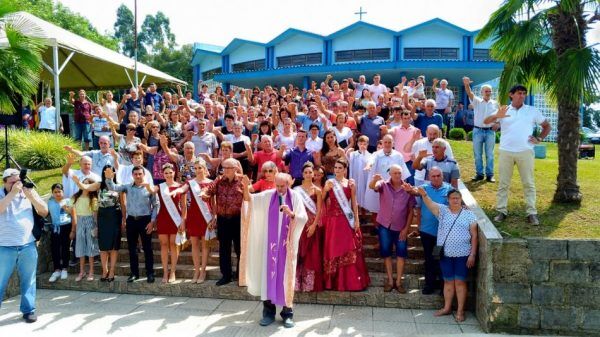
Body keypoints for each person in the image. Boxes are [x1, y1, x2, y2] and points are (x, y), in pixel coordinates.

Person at [241, 173, 308, 328]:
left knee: (285, 278)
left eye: (282, 186)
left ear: (289, 183)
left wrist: (291, 214)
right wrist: (245, 187)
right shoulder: (268, 196)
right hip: (270, 247)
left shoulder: (296, 197)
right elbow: (249, 200)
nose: (278, 189)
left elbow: (303, 218)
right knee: (268, 276)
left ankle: (287, 314)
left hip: (287, 246)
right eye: (276, 186)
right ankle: (268, 313)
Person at [484, 85, 551, 225]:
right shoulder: (504, 110)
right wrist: (497, 116)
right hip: (506, 151)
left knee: (528, 183)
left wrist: (539, 138)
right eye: (519, 93)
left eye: (524, 94)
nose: (522, 96)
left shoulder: (532, 110)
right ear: (511, 95)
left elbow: (547, 126)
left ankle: (531, 213)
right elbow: (487, 122)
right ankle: (501, 211)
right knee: (503, 183)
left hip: (525, 151)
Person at [416, 186, 478, 323]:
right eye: (452, 198)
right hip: (446, 255)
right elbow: (430, 204)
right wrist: (424, 194)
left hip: (463, 255)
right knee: (448, 281)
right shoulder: (442, 211)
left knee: (460, 282)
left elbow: (474, 236)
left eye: (458, 198)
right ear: (448, 200)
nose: (455, 200)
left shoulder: (469, 215)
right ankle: (447, 308)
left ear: (461, 199)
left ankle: (460, 311)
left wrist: (472, 254)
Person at [0, 169, 48, 323]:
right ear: (5, 182)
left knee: (29, 280)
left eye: (18, 181)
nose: (17, 185)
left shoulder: (28, 192)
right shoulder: (3, 194)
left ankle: (28, 310)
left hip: (27, 245)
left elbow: (44, 211)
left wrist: (32, 197)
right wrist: (13, 193)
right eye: (12, 182)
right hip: (4, 247)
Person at [322, 159, 370, 291]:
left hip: (345, 220)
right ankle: (332, 282)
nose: (336, 170)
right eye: (335, 168)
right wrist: (325, 190)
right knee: (333, 249)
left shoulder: (351, 183)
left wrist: (357, 220)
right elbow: (321, 199)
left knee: (347, 248)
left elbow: (354, 203)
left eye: (339, 168)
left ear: (345, 170)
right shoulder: (329, 182)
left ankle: (348, 282)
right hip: (332, 221)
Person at [106, 166, 159, 283]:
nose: (138, 176)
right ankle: (134, 273)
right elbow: (113, 188)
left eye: (140, 174)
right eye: (135, 174)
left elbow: (156, 205)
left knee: (147, 248)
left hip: (145, 220)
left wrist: (152, 221)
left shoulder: (150, 188)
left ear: (144, 174)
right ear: (132, 175)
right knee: (132, 248)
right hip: (131, 220)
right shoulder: (128, 187)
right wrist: (109, 179)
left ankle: (150, 273)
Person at [72, 166, 124, 283]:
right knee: (103, 246)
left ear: (114, 173)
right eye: (106, 171)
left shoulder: (118, 185)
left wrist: (124, 219)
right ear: (103, 173)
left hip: (115, 215)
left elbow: (123, 203)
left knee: (114, 246)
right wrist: (77, 181)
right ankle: (104, 271)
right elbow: (85, 187)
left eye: (111, 171)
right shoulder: (99, 184)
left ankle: (111, 271)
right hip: (103, 216)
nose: (109, 173)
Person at [369, 165, 415, 293]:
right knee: (386, 253)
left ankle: (399, 282)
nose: (397, 175)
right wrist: (374, 180)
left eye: (399, 173)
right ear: (390, 174)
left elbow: (411, 211)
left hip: (401, 228)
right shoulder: (383, 184)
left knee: (401, 254)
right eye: (394, 173)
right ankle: (390, 281)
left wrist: (407, 229)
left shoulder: (407, 188)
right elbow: (372, 187)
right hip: (384, 226)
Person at [203, 158, 245, 286]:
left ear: (235, 168)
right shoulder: (219, 180)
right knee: (224, 249)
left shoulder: (243, 180)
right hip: (223, 219)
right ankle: (226, 275)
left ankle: (240, 275)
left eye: (228, 168)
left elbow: (249, 195)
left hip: (238, 219)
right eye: (223, 168)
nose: (225, 171)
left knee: (240, 249)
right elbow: (208, 190)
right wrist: (204, 193)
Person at [143, 163, 187, 283]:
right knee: (163, 245)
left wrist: (183, 221)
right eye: (166, 173)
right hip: (163, 217)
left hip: (175, 218)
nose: (168, 175)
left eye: (170, 172)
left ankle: (172, 272)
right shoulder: (160, 186)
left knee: (173, 244)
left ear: (174, 173)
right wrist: (147, 185)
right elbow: (152, 190)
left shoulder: (180, 187)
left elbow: (184, 207)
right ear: (163, 174)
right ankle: (165, 272)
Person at [415, 167, 452, 295]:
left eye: (438, 175)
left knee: (442, 260)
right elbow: (413, 192)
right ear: (429, 177)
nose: (436, 178)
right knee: (429, 259)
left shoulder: (449, 189)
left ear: (442, 176)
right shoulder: (424, 188)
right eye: (433, 176)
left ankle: (443, 287)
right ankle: (429, 285)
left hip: (443, 233)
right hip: (427, 232)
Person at [293, 162, 324, 293]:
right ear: (302, 174)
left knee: (312, 253)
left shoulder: (318, 190)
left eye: (310, 172)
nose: (308, 174)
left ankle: (309, 284)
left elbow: (319, 210)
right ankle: (297, 283)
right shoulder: (296, 190)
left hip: (312, 225)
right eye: (305, 172)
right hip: (299, 224)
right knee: (299, 252)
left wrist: (314, 225)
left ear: (313, 174)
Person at [184, 158, 214, 283]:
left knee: (205, 245)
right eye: (195, 168)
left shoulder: (211, 182)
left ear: (204, 168)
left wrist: (214, 217)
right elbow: (182, 190)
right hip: (193, 215)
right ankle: (196, 270)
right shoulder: (190, 182)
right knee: (194, 244)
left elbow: (214, 202)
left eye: (199, 168)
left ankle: (203, 271)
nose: (197, 170)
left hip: (206, 216)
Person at [463, 77, 499, 182]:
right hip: (477, 131)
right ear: (482, 92)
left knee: (490, 154)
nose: (488, 93)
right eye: (486, 91)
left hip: (490, 131)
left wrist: (497, 123)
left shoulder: (495, 103)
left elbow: (499, 115)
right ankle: (479, 174)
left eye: (489, 91)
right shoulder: (477, 101)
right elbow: (469, 93)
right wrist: (466, 84)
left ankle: (490, 175)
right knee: (478, 154)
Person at [70, 178, 99, 282]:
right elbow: (71, 211)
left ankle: (91, 271)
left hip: (90, 221)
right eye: (84, 184)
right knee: (80, 246)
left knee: (90, 247)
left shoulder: (94, 199)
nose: (85, 186)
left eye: (88, 184)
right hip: (80, 221)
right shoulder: (75, 197)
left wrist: (96, 227)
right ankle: (82, 272)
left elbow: (95, 214)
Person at [46, 183, 72, 282]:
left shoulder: (68, 201)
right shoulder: (50, 202)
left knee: (65, 247)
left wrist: (65, 207)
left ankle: (64, 268)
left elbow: (72, 213)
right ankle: (57, 270)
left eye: (59, 191)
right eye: (55, 192)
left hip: (66, 226)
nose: (57, 194)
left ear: (63, 192)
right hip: (55, 227)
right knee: (55, 248)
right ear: (52, 193)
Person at [347, 135, 372, 212]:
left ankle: (364, 214)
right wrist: (347, 153)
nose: (362, 146)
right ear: (358, 144)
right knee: (355, 195)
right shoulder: (353, 154)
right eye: (361, 144)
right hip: (355, 177)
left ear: (367, 144)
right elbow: (348, 161)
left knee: (364, 195)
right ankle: (356, 214)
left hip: (364, 179)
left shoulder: (370, 155)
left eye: (364, 144)